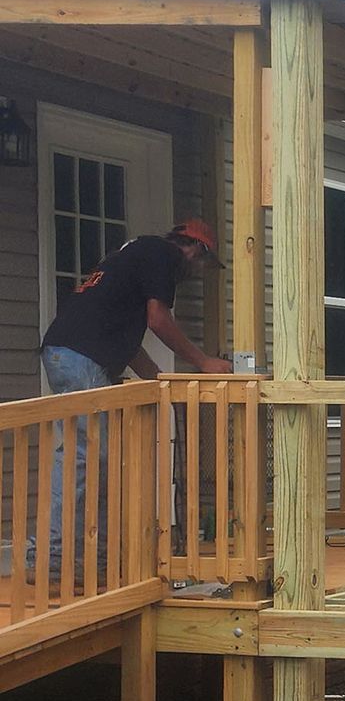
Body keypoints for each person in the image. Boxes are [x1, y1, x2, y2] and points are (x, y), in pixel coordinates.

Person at [37, 217, 229, 585]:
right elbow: (158, 320)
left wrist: (159, 383)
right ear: (194, 248)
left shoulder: (135, 255)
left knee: (94, 457)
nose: (197, 272)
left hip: (72, 352)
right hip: (80, 357)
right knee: (85, 458)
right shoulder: (163, 254)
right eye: (203, 264)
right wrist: (203, 361)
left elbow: (128, 340)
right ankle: (57, 558)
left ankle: (93, 558)